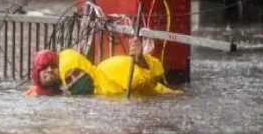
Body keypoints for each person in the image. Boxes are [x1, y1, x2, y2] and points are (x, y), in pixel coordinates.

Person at [25, 38, 179, 97]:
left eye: (51, 66)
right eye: (43, 69)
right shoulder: (103, 71)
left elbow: (151, 74)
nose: (49, 70)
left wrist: (141, 60)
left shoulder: (68, 68)